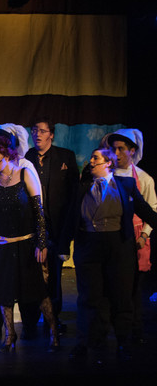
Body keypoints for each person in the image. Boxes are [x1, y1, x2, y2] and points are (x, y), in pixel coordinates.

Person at [68, 148, 157, 361]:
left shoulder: (126, 185)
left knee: (121, 296)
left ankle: (123, 341)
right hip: (89, 245)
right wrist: (62, 246)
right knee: (89, 297)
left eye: (95, 158)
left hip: (118, 246)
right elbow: (69, 216)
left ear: (108, 163)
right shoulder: (82, 187)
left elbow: (145, 210)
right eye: (91, 158)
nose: (91, 161)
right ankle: (86, 342)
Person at [0, 135, 59, 353]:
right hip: (1, 246)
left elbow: (38, 212)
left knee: (38, 292)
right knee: (4, 293)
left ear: (7, 155)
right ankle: (9, 336)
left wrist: (42, 243)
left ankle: (53, 331)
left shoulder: (25, 174)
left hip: (25, 245)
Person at [24, 119, 79, 334]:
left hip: (56, 227)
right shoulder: (26, 157)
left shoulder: (65, 157)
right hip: (31, 227)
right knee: (31, 275)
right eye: (34, 130)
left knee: (54, 276)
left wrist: (68, 231)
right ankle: (30, 322)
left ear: (51, 134)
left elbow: (74, 194)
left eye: (42, 131)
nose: (37, 134)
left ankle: (53, 320)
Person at [106, 129, 156, 344]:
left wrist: (143, 236)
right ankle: (116, 328)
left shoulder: (143, 178)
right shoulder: (107, 175)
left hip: (136, 237)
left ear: (132, 151)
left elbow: (152, 209)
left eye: (121, 149)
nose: (116, 153)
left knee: (134, 288)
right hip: (114, 236)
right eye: (113, 149)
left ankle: (135, 329)